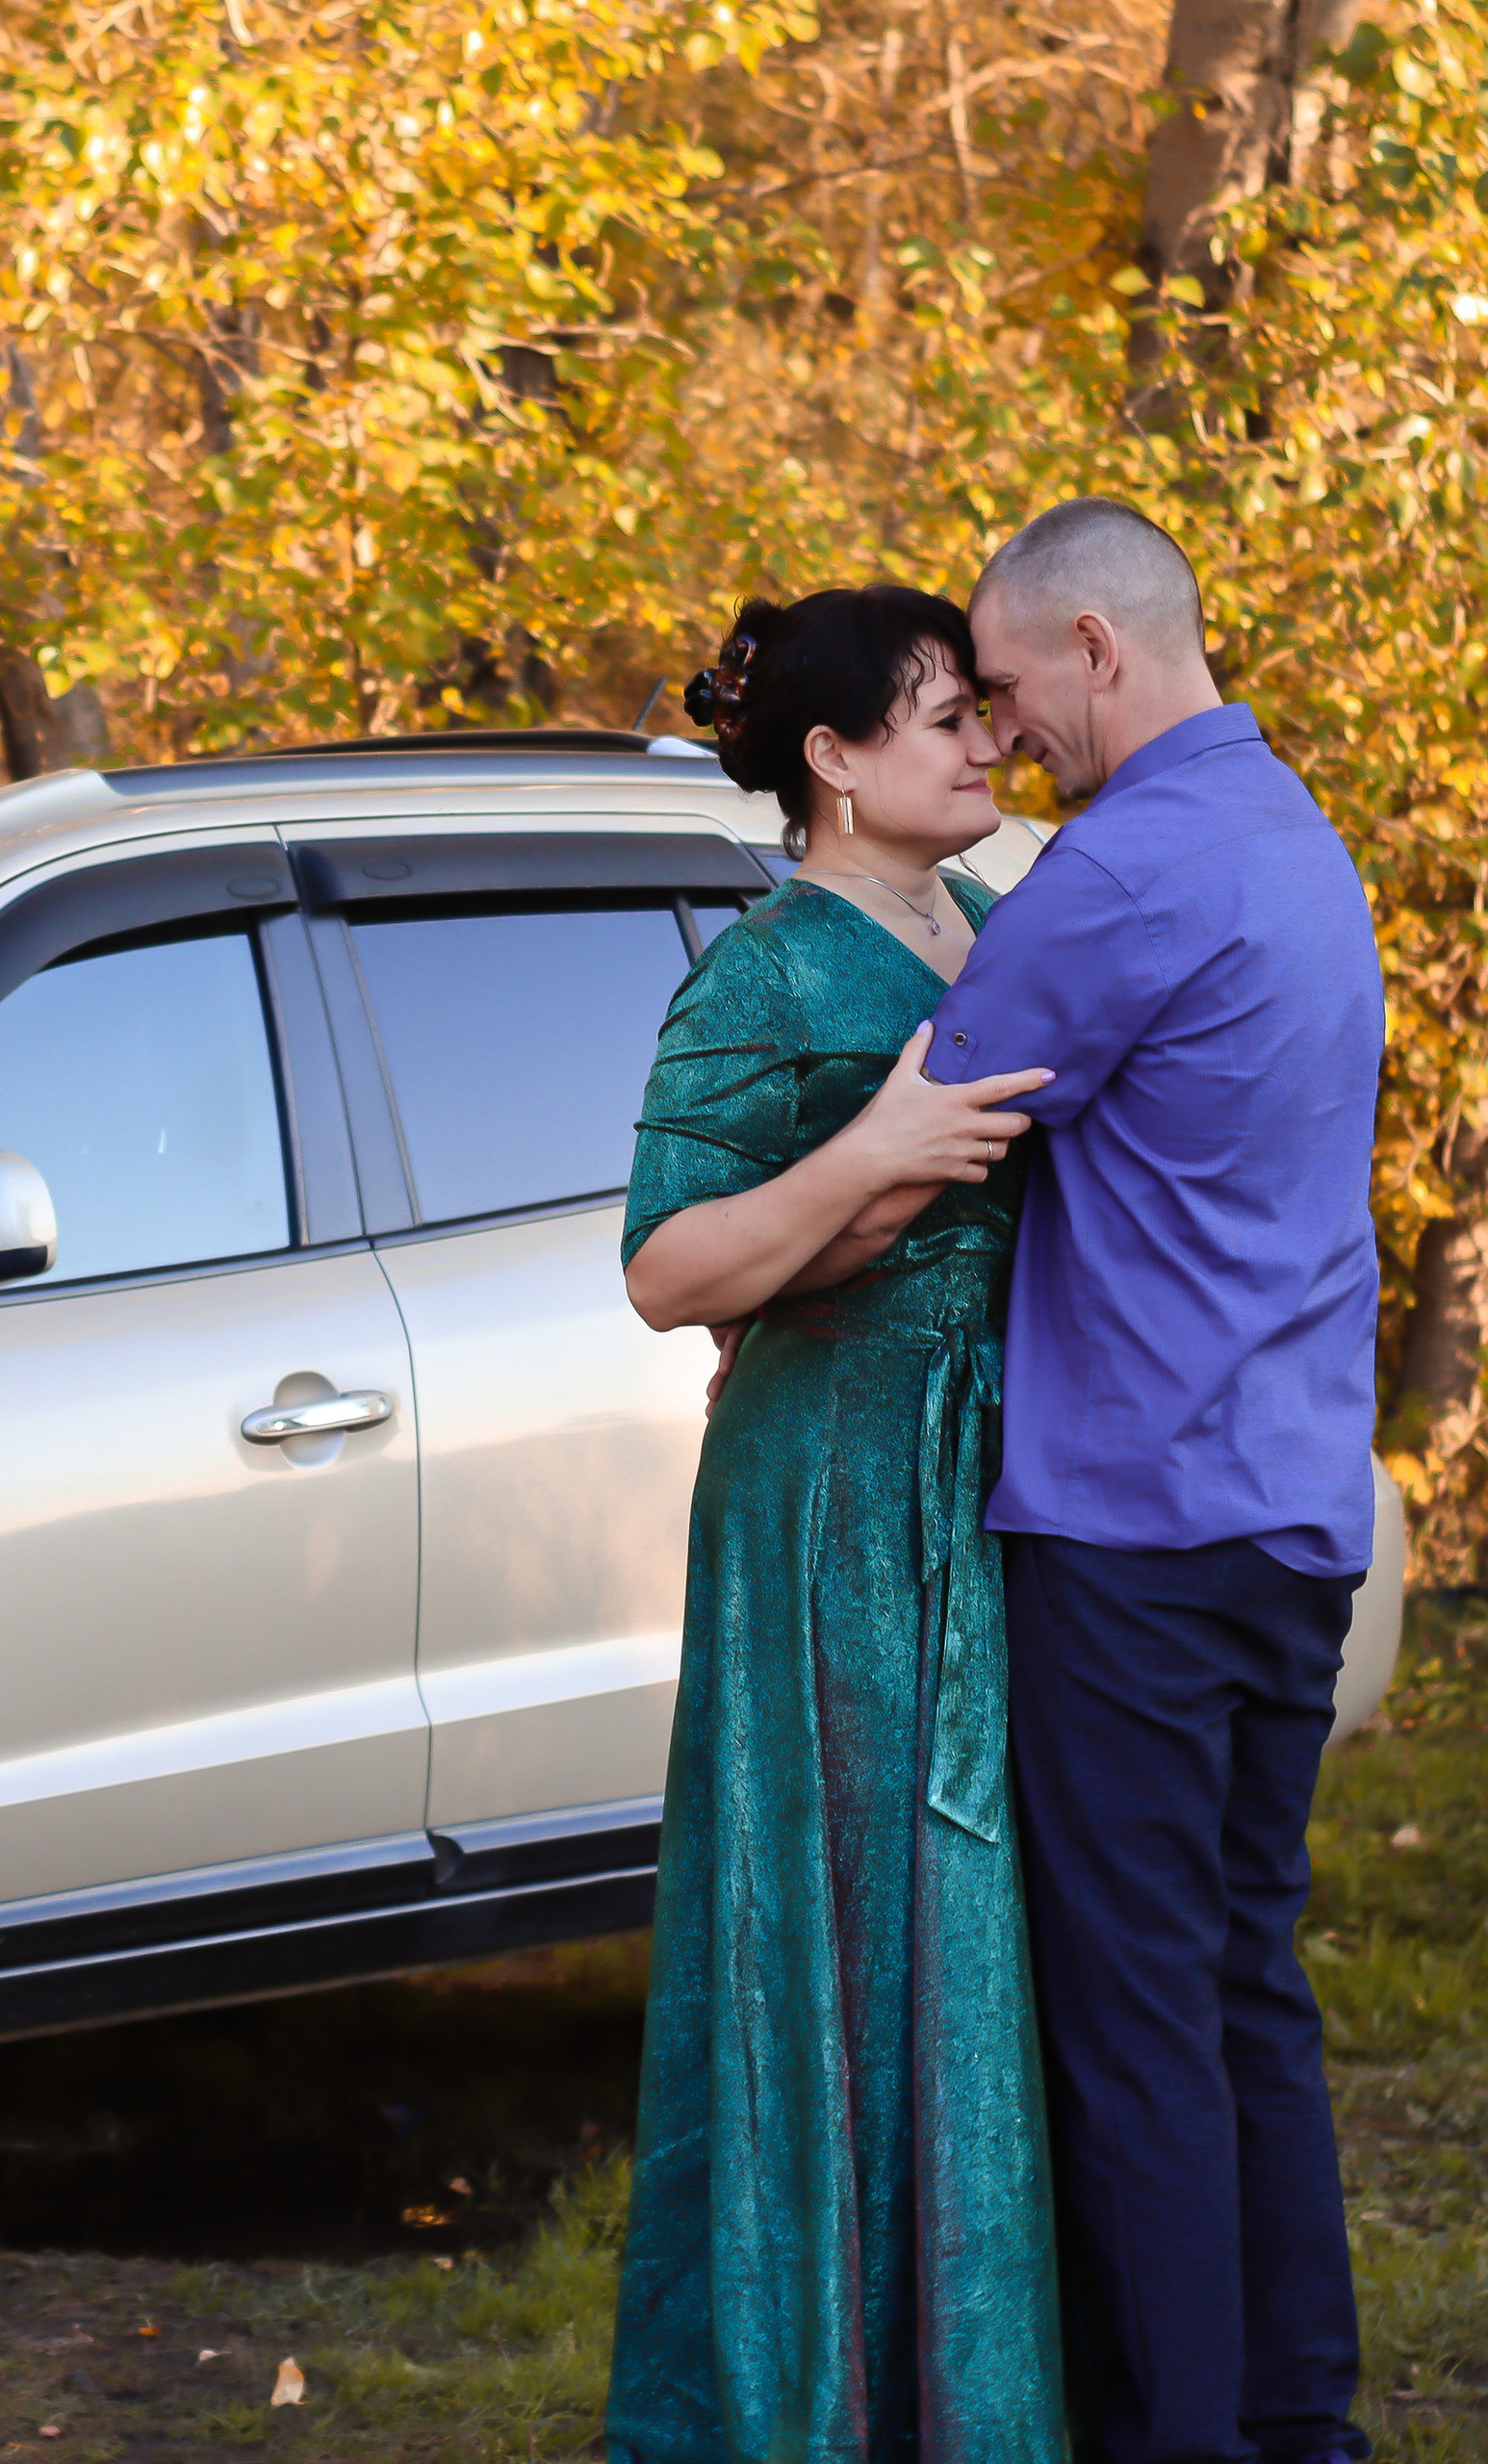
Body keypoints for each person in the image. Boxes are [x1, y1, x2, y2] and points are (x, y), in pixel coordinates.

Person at [924, 498, 1386, 2464]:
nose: (1003, 730)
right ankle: (1295, 2422)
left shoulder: (1118, 872)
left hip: (1136, 1531)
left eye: (1009, 686)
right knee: (1236, 1992)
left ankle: (1171, 2438)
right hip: (1287, 1514)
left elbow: (931, 1102)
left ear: (1095, 645)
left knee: (1130, 2036)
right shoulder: (1291, 835)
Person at [606, 584, 1068, 2464]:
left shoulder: (985, 925)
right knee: (851, 1930)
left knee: (975, 1942)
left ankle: (975, 2395)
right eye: (941, 716)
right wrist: (869, 1158)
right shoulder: (764, 972)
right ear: (832, 760)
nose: (983, 745)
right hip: (827, 1509)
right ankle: (813, 2407)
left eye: (981, 714)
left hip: (993, 1484)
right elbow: (660, 1266)